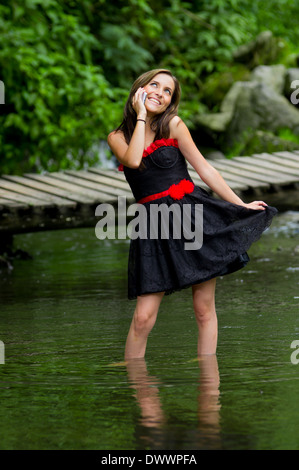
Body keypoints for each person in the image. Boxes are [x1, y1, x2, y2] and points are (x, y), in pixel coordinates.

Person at [107, 68, 277, 360]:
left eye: (168, 91)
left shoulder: (173, 125)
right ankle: (139, 394)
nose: (160, 93)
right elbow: (134, 160)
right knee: (143, 318)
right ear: (139, 89)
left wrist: (240, 205)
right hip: (152, 228)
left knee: (203, 308)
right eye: (155, 86)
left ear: (171, 101)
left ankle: (209, 392)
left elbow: (205, 169)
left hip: (193, 217)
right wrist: (140, 117)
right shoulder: (117, 136)